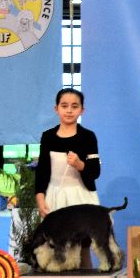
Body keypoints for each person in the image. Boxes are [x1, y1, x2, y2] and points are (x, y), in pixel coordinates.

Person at [35, 88, 101, 218]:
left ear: (82, 110)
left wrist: (80, 164)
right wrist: (40, 198)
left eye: (74, 106)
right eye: (64, 106)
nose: (69, 110)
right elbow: (42, 171)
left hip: (82, 196)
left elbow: (95, 172)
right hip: (54, 196)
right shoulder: (48, 136)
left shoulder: (88, 136)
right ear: (56, 109)